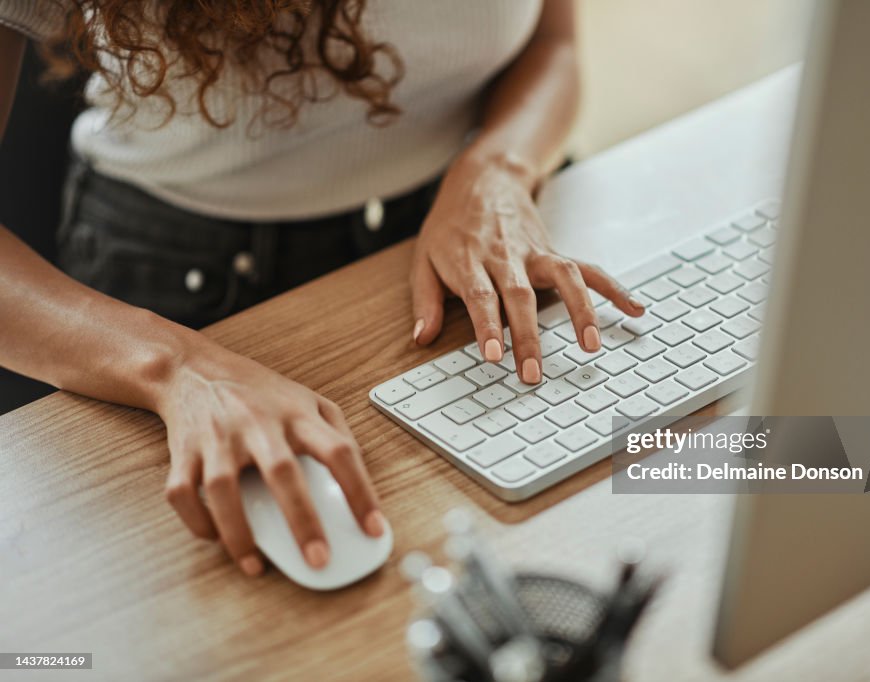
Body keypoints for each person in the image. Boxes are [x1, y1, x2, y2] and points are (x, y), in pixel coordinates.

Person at [0, 0, 643, 577]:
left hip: (470, 222)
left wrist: (498, 168)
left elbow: (552, 42)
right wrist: (180, 370)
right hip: (182, 287)